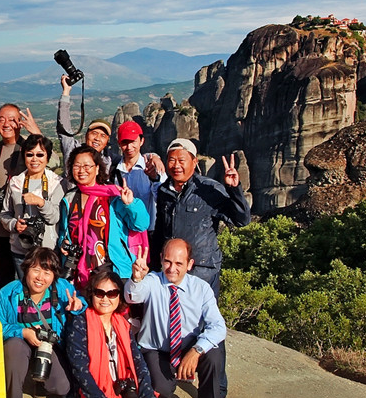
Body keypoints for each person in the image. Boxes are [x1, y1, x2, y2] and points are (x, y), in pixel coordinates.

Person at [125, 239, 228, 398]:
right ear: (161, 259)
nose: (172, 268)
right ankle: (165, 390)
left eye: (179, 263)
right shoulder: (152, 280)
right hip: (157, 350)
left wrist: (196, 351)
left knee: (213, 352)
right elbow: (133, 296)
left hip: (187, 346)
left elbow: (218, 326)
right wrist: (136, 279)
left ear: (189, 264)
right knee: (161, 391)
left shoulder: (201, 288)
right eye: (168, 262)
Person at [66, 268, 165, 398]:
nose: (105, 299)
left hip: (122, 388)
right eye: (99, 293)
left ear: (119, 296)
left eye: (112, 293)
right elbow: (80, 370)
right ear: (91, 294)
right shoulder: (80, 323)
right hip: (93, 396)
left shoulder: (122, 324)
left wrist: (147, 396)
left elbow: (138, 361)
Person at [148, 138, 250, 298]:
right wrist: (153, 268)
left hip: (203, 274)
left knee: (200, 322)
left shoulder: (208, 189)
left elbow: (241, 220)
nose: (176, 166)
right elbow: (160, 231)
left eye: (182, 160)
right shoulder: (164, 191)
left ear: (194, 161)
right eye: (172, 160)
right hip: (172, 273)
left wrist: (234, 189)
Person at [0, 247, 85, 398]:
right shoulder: (8, 293)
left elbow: (84, 304)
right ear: (26, 269)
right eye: (35, 270)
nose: (40, 278)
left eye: (47, 272)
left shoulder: (62, 289)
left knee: (61, 386)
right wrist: (22, 332)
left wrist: (78, 306)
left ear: (54, 276)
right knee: (14, 346)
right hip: (21, 343)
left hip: (49, 345)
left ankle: (40, 384)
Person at [57, 145, 149, 287]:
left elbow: (141, 224)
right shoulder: (68, 199)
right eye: (77, 166)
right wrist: (63, 243)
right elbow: (65, 232)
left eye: (87, 165)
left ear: (97, 168)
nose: (82, 170)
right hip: (79, 273)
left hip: (111, 269)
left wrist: (131, 204)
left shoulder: (112, 196)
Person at [0, 103, 43, 290]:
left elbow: (49, 160)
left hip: (24, 224)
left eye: (12, 119)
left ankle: (26, 313)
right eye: (1, 119)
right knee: (3, 274)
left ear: (20, 123)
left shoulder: (28, 148)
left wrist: (37, 134)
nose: (6, 124)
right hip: (0, 225)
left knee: (26, 274)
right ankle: (5, 311)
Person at [0, 134, 64, 283]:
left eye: (40, 154)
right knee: (25, 289)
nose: (35, 159)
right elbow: (5, 213)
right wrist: (14, 224)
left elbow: (54, 217)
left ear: (47, 158)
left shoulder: (57, 183)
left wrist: (41, 203)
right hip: (21, 248)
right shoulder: (15, 182)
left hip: (47, 249)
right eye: (30, 155)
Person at [56, 73, 119, 182]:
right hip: (72, 197)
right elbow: (64, 130)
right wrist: (66, 92)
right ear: (86, 135)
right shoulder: (73, 150)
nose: (97, 138)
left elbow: (131, 157)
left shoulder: (110, 158)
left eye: (103, 135)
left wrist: (152, 156)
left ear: (107, 141)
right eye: (94, 133)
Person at [109, 121, 162, 234]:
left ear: (141, 141)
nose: (129, 147)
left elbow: (163, 199)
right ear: (119, 143)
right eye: (124, 142)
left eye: (133, 141)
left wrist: (155, 178)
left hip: (148, 232)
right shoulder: (113, 170)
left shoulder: (152, 167)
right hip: (122, 232)